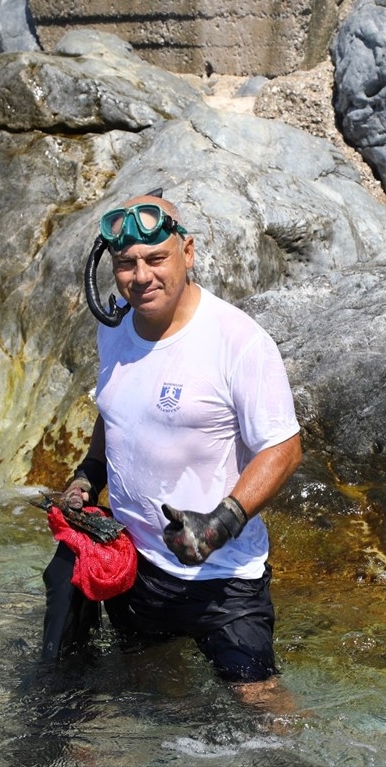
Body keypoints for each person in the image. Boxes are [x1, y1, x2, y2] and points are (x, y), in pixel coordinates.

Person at [42, 191, 303, 690]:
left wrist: (219, 524)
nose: (141, 276)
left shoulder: (238, 341)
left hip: (223, 580)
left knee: (261, 711)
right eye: (126, 263)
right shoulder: (115, 327)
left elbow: (284, 449)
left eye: (156, 258)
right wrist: (87, 475)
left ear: (188, 252)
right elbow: (117, 412)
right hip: (134, 568)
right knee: (153, 699)